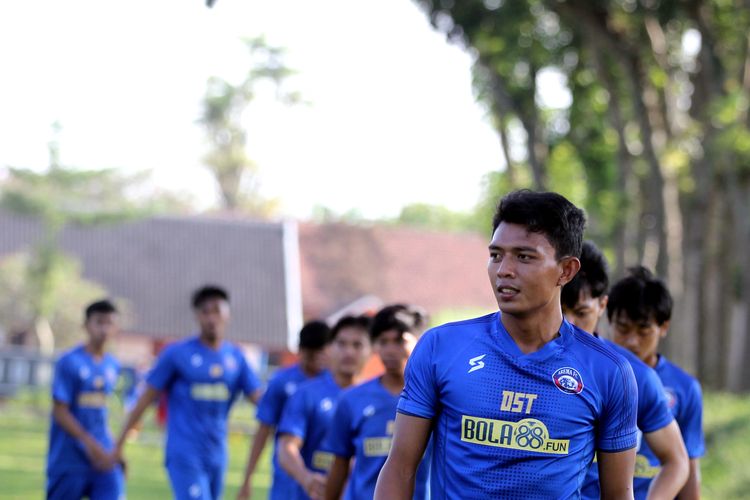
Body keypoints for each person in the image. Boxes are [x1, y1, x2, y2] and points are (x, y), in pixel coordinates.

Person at [375, 190, 640, 499]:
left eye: (524, 256)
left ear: (566, 270)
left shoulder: (609, 371)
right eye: (496, 255)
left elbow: (619, 495)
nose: (504, 270)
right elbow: (400, 468)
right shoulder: (441, 348)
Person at [561, 242, 689, 499]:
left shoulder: (632, 375)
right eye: (561, 311)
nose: (569, 324)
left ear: (602, 305)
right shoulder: (514, 365)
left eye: (581, 312)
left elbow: (676, 461)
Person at [115, 285, 262, 500]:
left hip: (217, 452)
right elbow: (146, 398)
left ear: (227, 315)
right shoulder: (177, 354)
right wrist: (119, 444)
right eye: (205, 311)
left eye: (217, 311)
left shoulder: (236, 358)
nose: (211, 318)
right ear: (197, 315)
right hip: (184, 449)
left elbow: (261, 400)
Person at [608, 267, 705, 499]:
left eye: (644, 330)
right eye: (623, 328)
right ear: (608, 319)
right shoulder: (592, 376)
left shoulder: (685, 388)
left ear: (663, 327)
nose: (632, 341)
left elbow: (688, 464)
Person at [324, 305, 431, 500]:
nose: (390, 350)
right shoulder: (351, 400)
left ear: (419, 341)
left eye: (399, 341)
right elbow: (339, 465)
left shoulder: (437, 399)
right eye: (383, 341)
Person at [277, 315, 372, 500]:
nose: (349, 352)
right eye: (342, 344)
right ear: (329, 348)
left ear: (371, 349)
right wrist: (307, 478)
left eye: (357, 345)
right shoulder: (306, 394)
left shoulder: (377, 400)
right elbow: (286, 447)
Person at [238, 320, 331, 500]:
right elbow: (263, 430)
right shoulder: (282, 382)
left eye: (321, 353)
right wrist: (247, 479)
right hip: (287, 477)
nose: (316, 359)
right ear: (300, 350)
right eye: (311, 353)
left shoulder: (336, 383)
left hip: (325, 475)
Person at [46, 299, 123, 500]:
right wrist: (90, 445)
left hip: (103, 458)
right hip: (69, 458)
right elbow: (60, 412)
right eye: (99, 322)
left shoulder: (112, 365)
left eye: (109, 323)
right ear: (86, 325)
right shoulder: (69, 361)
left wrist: (115, 450)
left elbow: (100, 412)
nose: (104, 329)